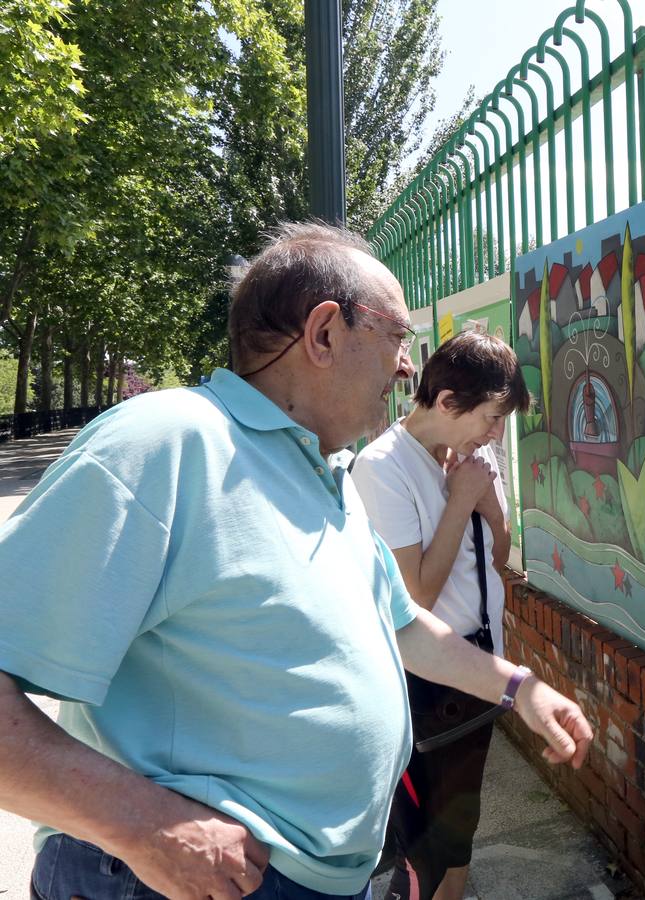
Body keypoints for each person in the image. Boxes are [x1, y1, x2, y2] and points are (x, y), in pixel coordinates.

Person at [0, 222, 593, 900]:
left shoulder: (323, 470)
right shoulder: (165, 444)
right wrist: (145, 825)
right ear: (324, 333)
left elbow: (400, 626)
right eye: (399, 337)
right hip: (193, 877)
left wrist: (521, 688)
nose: (407, 368)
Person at [352, 332, 527, 900]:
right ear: (448, 401)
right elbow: (417, 597)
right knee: (430, 841)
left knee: (462, 825)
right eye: (491, 416)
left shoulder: (475, 457)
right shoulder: (382, 469)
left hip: (478, 667)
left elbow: (498, 558)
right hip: (426, 683)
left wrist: (489, 505)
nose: (496, 432)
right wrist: (458, 500)